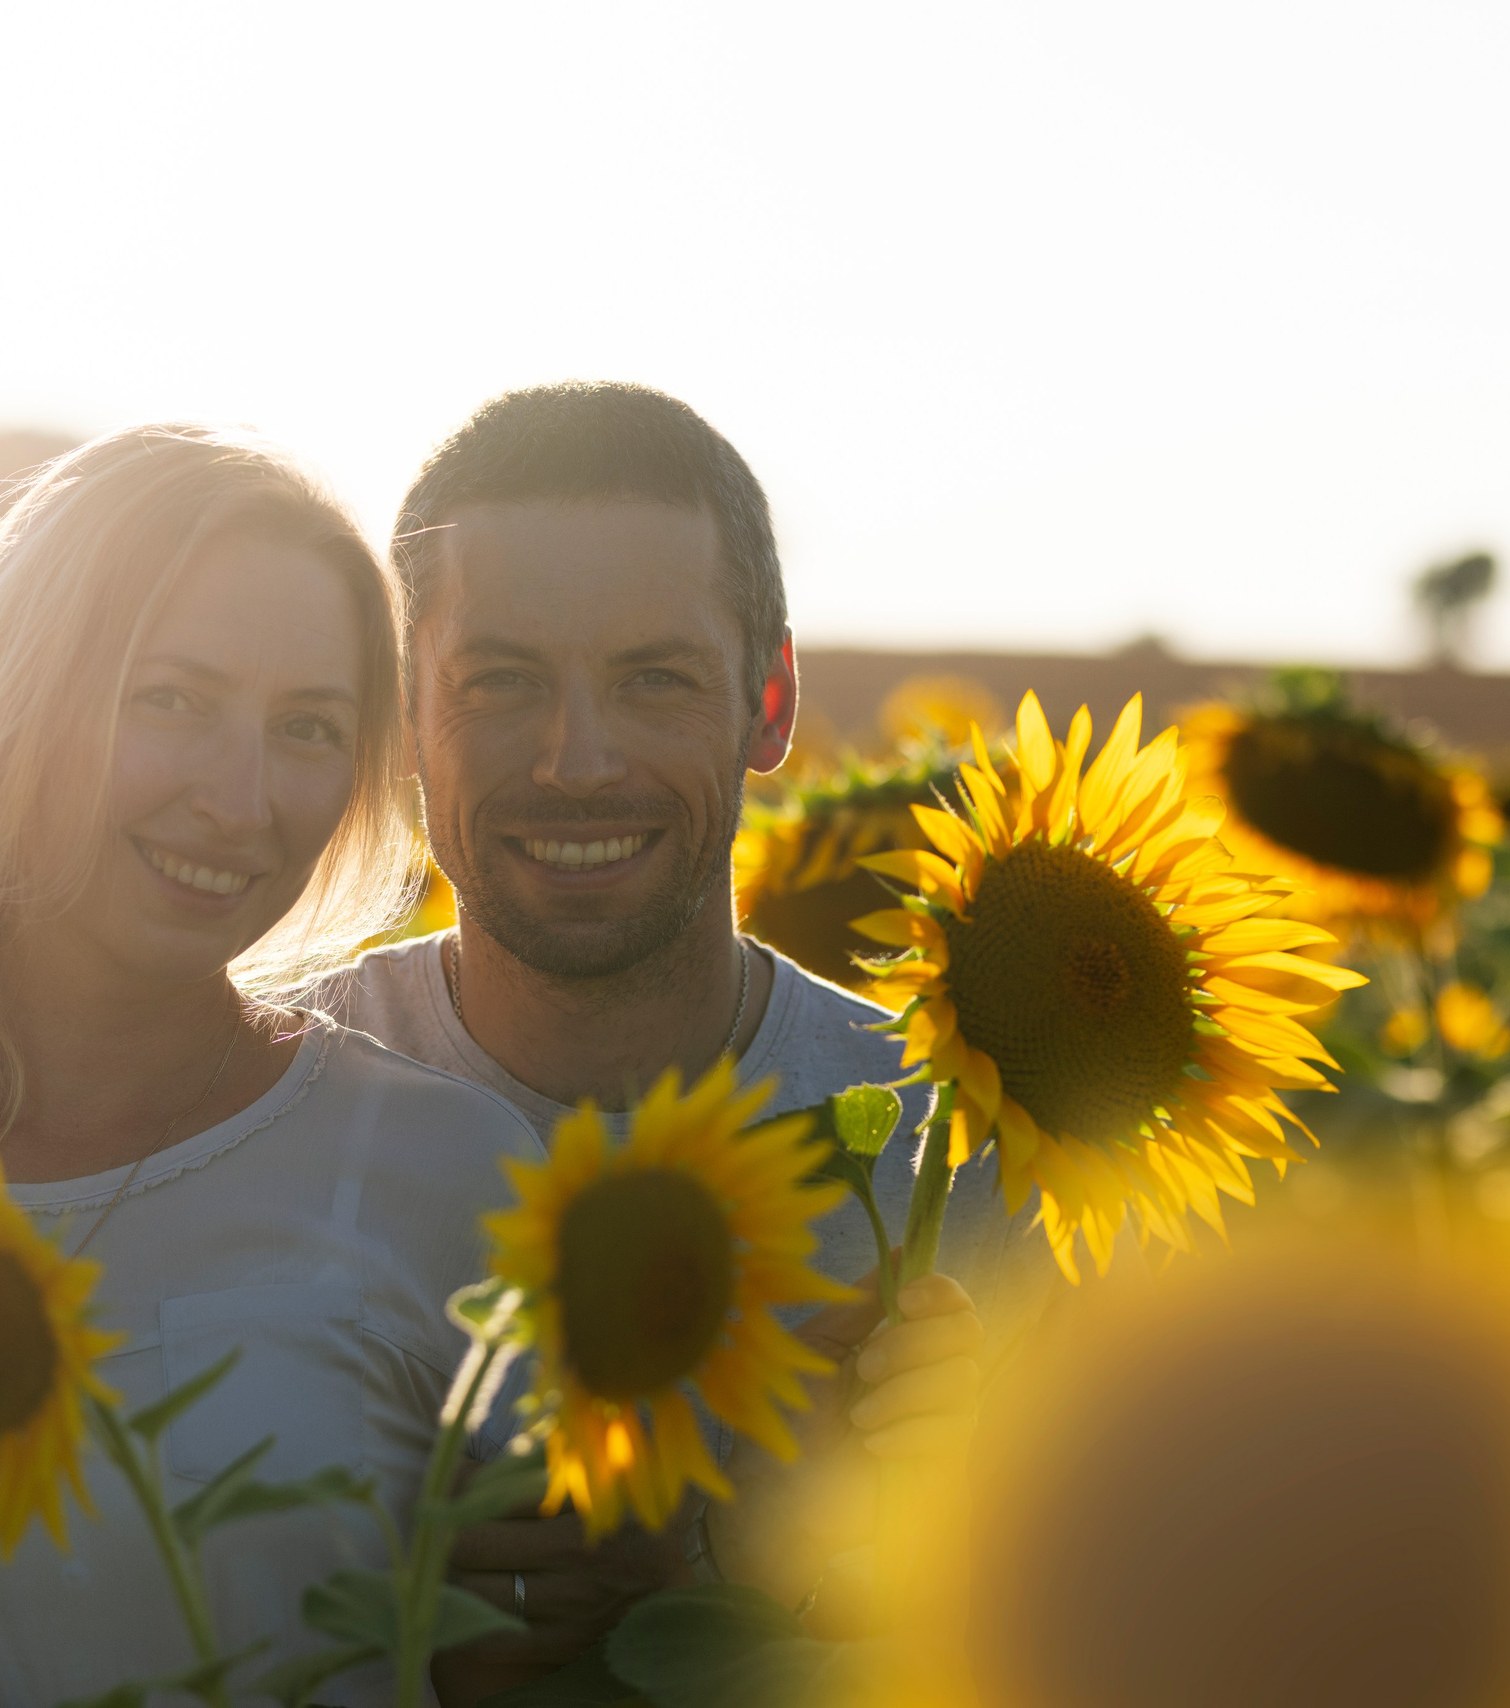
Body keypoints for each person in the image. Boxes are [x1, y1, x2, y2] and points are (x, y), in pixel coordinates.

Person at [0, 424, 543, 1706]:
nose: (241, 799)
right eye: (171, 700)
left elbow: (542, 1653)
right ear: (19, 694)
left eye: (308, 727)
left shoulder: (446, 1172)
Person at [311, 382, 1048, 1698]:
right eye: (499, 680)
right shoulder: (261, 1103)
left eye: (653, 679)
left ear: (770, 702)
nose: (577, 761)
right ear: (406, 711)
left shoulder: (965, 1165)